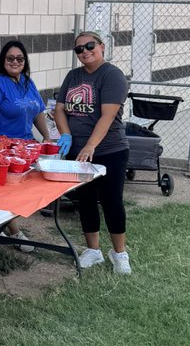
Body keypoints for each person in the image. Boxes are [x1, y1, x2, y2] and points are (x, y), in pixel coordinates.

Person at [53, 31, 132, 274]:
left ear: (102, 47)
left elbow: (108, 116)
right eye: (79, 49)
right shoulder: (73, 76)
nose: (85, 51)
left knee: (111, 201)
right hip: (77, 151)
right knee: (85, 200)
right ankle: (93, 250)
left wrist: (90, 146)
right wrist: (65, 134)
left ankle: (119, 253)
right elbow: (59, 109)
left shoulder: (112, 75)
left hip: (110, 150)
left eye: (89, 46)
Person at [0, 39, 51, 251]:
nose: (15, 61)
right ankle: (14, 232)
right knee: (7, 193)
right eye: (10, 58)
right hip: (1, 147)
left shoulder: (27, 82)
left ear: (25, 61)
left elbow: (37, 111)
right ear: (3, 60)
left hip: (24, 146)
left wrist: (46, 136)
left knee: (23, 190)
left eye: (20, 58)